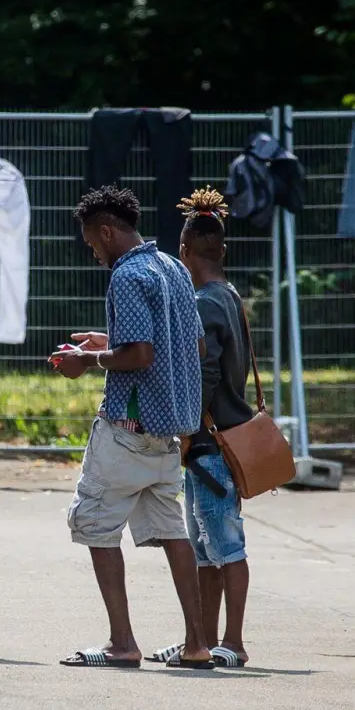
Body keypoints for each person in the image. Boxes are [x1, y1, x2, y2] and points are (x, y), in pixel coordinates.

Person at [50, 185, 213, 670]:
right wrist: (113, 340)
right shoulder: (171, 268)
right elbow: (192, 347)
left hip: (127, 430)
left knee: (96, 525)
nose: (93, 252)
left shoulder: (126, 275)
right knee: (171, 531)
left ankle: (123, 643)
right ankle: (196, 643)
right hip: (168, 435)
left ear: (105, 231)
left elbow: (139, 355)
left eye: (91, 243)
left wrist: (90, 358)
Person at [150, 187, 253, 668]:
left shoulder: (204, 302)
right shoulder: (229, 295)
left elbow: (204, 375)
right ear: (223, 251)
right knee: (206, 550)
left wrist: (188, 432)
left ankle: (232, 641)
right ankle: (203, 639)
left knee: (225, 546)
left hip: (209, 444)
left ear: (185, 252)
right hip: (216, 441)